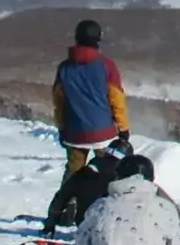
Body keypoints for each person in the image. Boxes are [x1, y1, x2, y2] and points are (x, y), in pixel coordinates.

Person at [52, 19, 130, 180]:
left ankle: (66, 202)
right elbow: (116, 99)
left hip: (74, 133)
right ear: (97, 40)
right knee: (108, 173)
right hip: (103, 133)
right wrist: (123, 127)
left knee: (73, 173)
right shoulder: (107, 66)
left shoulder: (64, 68)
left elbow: (59, 102)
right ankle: (105, 202)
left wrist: (62, 127)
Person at [42, 132, 146, 235]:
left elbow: (61, 197)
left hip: (84, 225)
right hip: (115, 231)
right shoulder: (125, 177)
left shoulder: (84, 172)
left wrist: (49, 225)